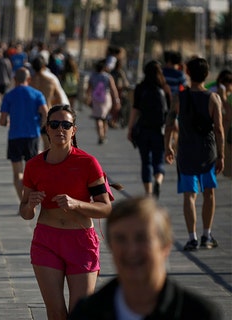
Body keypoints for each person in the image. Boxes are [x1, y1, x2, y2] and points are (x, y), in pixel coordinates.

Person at [20, 104, 113, 320]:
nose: (59, 129)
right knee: (56, 313)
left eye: (66, 124)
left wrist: (76, 204)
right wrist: (30, 205)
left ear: (74, 130)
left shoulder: (88, 163)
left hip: (80, 242)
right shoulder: (34, 165)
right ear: (47, 129)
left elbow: (106, 208)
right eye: (54, 124)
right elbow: (25, 213)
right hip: (46, 241)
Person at [69, 197, 223, 319]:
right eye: (121, 239)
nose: (131, 250)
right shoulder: (86, 313)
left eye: (142, 238)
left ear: (165, 245)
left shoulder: (200, 314)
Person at [164, 57, 225, 251]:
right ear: (207, 75)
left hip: (186, 151)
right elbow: (219, 130)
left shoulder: (178, 97)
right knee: (209, 193)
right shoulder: (213, 98)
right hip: (208, 151)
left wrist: (168, 146)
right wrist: (221, 155)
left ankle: (192, 238)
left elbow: (168, 123)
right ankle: (207, 236)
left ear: (187, 73)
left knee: (189, 195)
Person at [0, 68, 48, 207]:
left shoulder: (9, 95)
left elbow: (2, 120)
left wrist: (6, 121)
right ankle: (32, 199)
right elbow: (46, 113)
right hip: (32, 136)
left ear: (15, 79)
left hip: (15, 136)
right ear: (29, 79)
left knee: (18, 174)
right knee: (31, 172)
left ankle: (24, 201)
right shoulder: (37, 94)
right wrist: (40, 126)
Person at [127, 61, 171, 198]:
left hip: (143, 130)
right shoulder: (164, 88)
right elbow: (169, 112)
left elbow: (135, 109)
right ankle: (158, 180)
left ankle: (148, 192)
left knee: (146, 162)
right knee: (158, 160)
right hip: (160, 130)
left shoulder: (140, 87)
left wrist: (130, 129)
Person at [29, 55, 69, 150]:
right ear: (44, 66)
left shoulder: (29, 81)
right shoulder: (51, 81)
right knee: (47, 143)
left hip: (32, 114)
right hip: (47, 113)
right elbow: (60, 99)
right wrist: (49, 101)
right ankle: (45, 162)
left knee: (32, 143)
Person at [86, 59, 120, 145]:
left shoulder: (92, 76)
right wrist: (116, 100)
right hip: (106, 98)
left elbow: (89, 89)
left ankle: (100, 135)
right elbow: (113, 89)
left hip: (96, 99)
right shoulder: (108, 76)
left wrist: (88, 98)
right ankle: (104, 135)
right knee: (105, 118)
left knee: (98, 118)